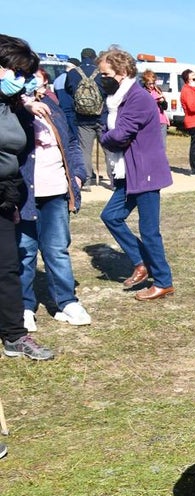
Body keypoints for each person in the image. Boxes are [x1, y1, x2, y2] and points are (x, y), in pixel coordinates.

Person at [97, 47, 175, 301]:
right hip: (129, 173)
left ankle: (163, 281)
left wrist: (103, 137)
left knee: (149, 230)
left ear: (121, 72)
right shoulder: (118, 98)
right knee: (111, 216)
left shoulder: (138, 98)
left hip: (145, 172)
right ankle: (142, 261)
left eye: (105, 73)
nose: (101, 78)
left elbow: (119, 135)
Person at [18, 68, 90, 328]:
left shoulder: (53, 106)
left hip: (57, 191)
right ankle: (25, 306)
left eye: (37, 77)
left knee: (57, 249)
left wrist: (79, 175)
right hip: (25, 194)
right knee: (24, 251)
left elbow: (71, 141)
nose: (33, 82)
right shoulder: (14, 109)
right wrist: (24, 105)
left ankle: (66, 301)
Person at [0, 34, 55, 360]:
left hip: (4, 196)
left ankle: (14, 335)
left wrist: (23, 103)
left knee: (7, 267)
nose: (19, 80)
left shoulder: (13, 104)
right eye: (15, 72)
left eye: (24, 74)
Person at [63, 47, 103, 190]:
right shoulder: (100, 71)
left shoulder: (73, 72)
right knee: (110, 149)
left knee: (85, 150)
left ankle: (85, 182)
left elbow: (68, 89)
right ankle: (114, 181)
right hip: (101, 116)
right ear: (94, 57)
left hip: (82, 117)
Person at [139, 69, 169, 151]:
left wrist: (162, 101)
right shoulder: (142, 92)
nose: (151, 86)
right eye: (149, 84)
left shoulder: (158, 90)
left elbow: (165, 107)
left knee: (162, 145)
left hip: (161, 120)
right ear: (145, 82)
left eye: (153, 83)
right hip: (149, 121)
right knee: (149, 145)